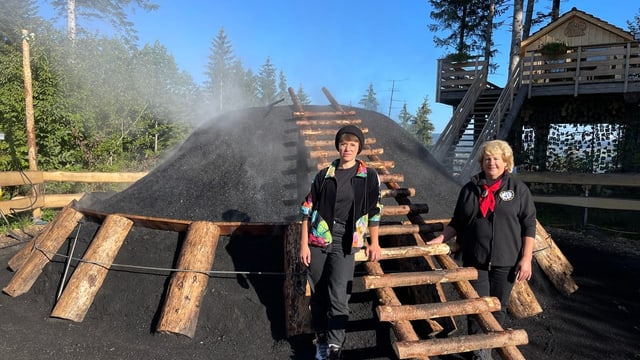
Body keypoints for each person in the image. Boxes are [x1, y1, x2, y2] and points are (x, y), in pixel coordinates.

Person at [428, 140, 536, 360]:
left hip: (505, 261)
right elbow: (457, 222)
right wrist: (440, 238)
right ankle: (479, 354)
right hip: (475, 259)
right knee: (475, 305)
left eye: (497, 159)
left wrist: (526, 259)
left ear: (506, 163)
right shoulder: (470, 189)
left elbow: (529, 225)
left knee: (498, 307)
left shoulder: (518, 190)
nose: (492, 163)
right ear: (481, 162)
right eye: (487, 159)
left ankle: (489, 348)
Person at [299, 125, 383, 360]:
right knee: (318, 294)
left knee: (339, 293)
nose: (347, 148)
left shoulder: (368, 176)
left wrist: (373, 242)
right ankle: (322, 340)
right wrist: (303, 245)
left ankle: (335, 345)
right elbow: (307, 210)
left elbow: (374, 211)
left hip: (347, 240)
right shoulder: (324, 175)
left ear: (359, 148)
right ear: (338, 146)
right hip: (318, 240)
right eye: (344, 144)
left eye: (353, 145)